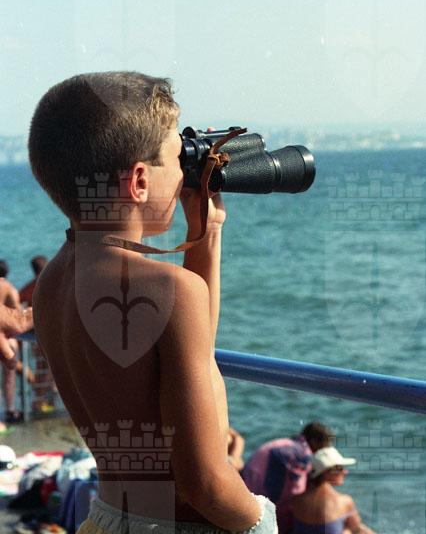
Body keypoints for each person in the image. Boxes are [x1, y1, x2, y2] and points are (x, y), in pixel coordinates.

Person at [28, 72, 277, 533]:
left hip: (108, 518)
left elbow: (196, 352)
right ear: (139, 181)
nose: (184, 171)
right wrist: (263, 522)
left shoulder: (55, 280)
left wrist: (206, 230)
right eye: (176, 158)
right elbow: (204, 485)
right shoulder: (171, 291)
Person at [242, 422, 334, 533]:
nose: (327, 449)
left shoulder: (285, 443)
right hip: (258, 501)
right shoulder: (303, 455)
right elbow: (297, 491)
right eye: (326, 444)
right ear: (315, 441)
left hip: (246, 488)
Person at [290, 446, 377, 534]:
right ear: (326, 472)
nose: (345, 472)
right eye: (340, 468)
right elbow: (357, 528)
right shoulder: (344, 501)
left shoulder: (296, 499)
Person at [19, 256, 56, 413]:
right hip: (51, 333)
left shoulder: (29, 287)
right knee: (53, 368)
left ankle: (42, 401)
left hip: (35, 334)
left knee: (42, 368)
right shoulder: (53, 284)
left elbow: (17, 302)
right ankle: (41, 400)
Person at [0, 260, 22, 428]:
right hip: (6, 339)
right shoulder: (8, 288)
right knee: (9, 377)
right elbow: (17, 315)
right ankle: (10, 410)